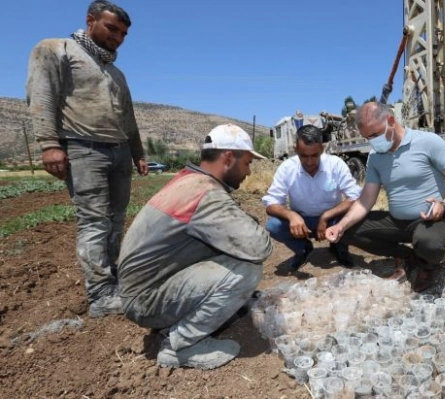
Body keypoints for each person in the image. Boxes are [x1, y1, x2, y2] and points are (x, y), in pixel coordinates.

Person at [25, 0, 148, 318]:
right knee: (94, 222)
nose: (118, 37)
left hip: (119, 150)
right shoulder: (56, 49)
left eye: (123, 33)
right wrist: (49, 144)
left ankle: (114, 277)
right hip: (82, 148)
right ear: (90, 20)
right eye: (112, 28)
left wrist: (138, 153)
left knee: (117, 218)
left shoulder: (116, 72)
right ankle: (101, 295)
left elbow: (129, 117)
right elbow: (42, 95)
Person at [117, 124, 273, 370]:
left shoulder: (190, 181)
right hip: (146, 301)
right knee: (248, 270)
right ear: (229, 158)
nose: (249, 172)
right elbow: (259, 246)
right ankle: (180, 345)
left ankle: (183, 320)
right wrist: (250, 223)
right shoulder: (206, 193)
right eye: (247, 163)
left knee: (234, 256)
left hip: (145, 291)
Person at [325, 102, 445, 292]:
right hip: (397, 222)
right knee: (349, 231)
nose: (372, 141)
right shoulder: (375, 157)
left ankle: (428, 265)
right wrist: (340, 226)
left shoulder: (428, 142)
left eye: (375, 134)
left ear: (391, 121)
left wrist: (444, 204)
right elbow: (366, 200)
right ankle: (408, 256)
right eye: (368, 137)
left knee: (429, 244)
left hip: (432, 219)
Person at [263, 125, 361, 270]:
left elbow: (355, 197)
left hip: (332, 220)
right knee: (273, 226)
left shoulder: (335, 164)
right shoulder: (287, 168)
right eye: (303, 155)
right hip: (303, 222)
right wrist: (291, 216)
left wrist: (326, 216)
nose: (309, 162)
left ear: (322, 149)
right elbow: (271, 204)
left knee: (356, 216)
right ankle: (302, 248)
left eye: (314, 155)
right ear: (296, 150)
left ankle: (339, 247)